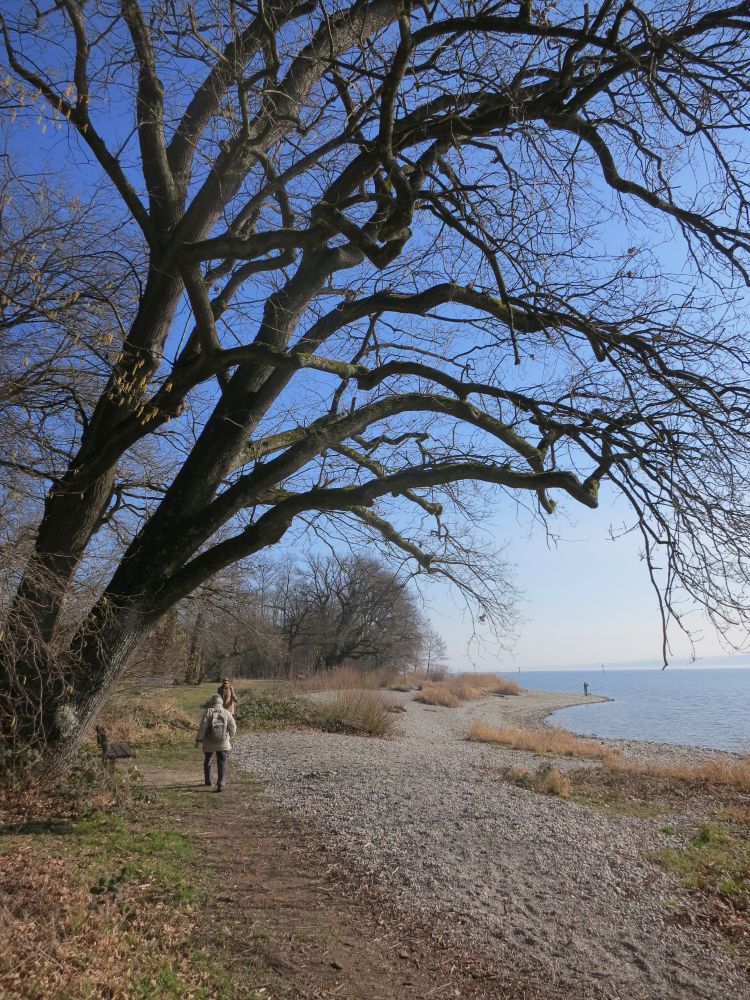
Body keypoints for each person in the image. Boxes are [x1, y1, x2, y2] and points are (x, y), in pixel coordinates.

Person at [196, 694, 237, 792]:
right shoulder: (226, 712)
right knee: (222, 761)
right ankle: (221, 783)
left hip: (209, 742)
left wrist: (199, 740)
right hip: (223, 742)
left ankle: (208, 780)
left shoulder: (208, 712)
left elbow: (203, 728)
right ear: (221, 702)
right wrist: (229, 736)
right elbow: (233, 728)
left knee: (208, 760)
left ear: (211, 702)